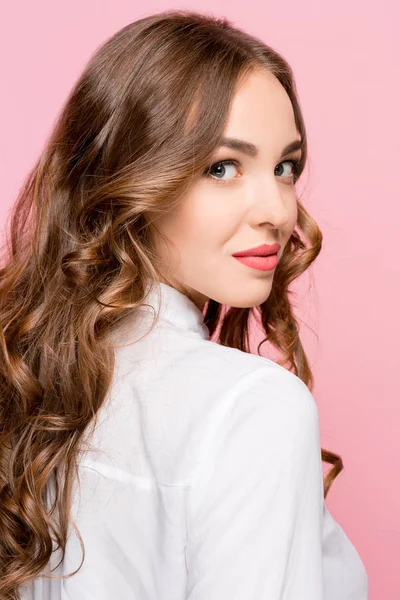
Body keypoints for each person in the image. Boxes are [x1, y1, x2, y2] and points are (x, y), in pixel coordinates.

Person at [0, 9, 368, 600]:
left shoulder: (40, 382)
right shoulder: (254, 408)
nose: (277, 209)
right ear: (130, 178)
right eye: (222, 167)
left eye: (285, 167)